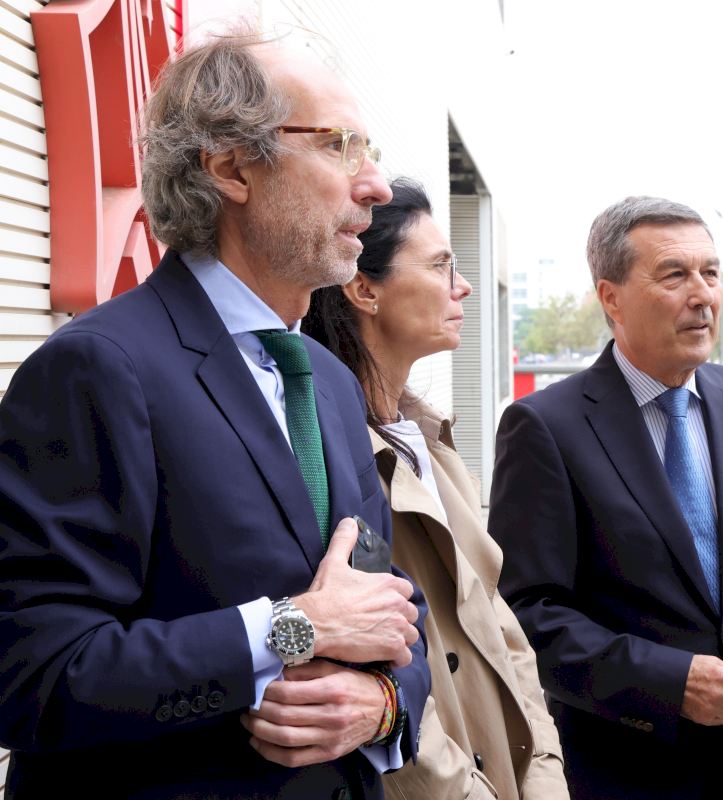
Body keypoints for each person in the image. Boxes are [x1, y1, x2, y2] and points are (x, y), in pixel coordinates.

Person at [0, 33, 432, 799]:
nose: (374, 185)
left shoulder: (330, 381)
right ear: (231, 168)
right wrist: (293, 627)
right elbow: (33, 675)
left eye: (369, 151)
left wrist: (382, 705)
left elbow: (387, 602)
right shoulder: (98, 369)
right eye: (339, 146)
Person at [489, 196, 723, 799]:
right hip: (623, 770)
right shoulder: (545, 427)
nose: (703, 295)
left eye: (711, 273)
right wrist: (669, 684)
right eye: (674, 275)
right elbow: (528, 614)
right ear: (611, 297)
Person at [304, 177, 569, 800]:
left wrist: (545, 772)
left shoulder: (432, 444)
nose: (463, 285)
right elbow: (376, 685)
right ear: (364, 288)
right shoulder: (331, 460)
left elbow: (505, 636)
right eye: (440, 265)